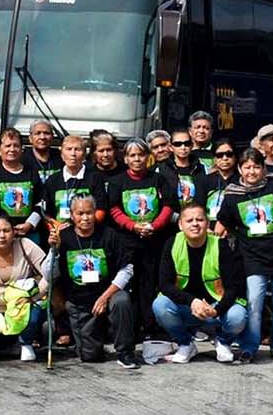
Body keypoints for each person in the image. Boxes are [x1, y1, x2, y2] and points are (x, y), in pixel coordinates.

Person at [217, 151, 273, 362]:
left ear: (263, 168)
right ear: (240, 170)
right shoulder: (232, 194)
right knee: (254, 303)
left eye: (256, 167)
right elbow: (223, 223)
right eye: (247, 167)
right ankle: (249, 346)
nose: (252, 171)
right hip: (252, 257)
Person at [46, 194, 141, 368]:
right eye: (80, 213)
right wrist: (55, 250)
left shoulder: (109, 234)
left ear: (95, 213)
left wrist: (105, 297)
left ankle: (125, 352)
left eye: (89, 213)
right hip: (79, 301)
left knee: (122, 300)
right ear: (72, 215)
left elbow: (127, 269)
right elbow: (48, 275)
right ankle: (95, 337)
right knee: (89, 356)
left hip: (107, 294)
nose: (85, 218)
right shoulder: (63, 237)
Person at [153, 202, 249, 364]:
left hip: (217, 307)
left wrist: (216, 310)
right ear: (180, 225)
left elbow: (234, 287)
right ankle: (185, 344)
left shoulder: (221, 245)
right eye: (189, 221)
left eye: (200, 219)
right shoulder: (172, 244)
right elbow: (165, 284)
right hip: (188, 308)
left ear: (208, 223)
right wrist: (192, 301)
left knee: (238, 316)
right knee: (160, 305)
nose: (195, 224)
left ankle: (223, 341)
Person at [106, 139, 174, 330]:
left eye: (141, 154)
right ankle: (130, 327)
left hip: (153, 241)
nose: (137, 159)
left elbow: (168, 206)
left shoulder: (158, 179)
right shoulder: (117, 182)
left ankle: (150, 326)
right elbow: (114, 209)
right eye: (132, 155)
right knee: (129, 285)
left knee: (149, 284)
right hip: (127, 242)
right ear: (126, 159)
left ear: (148, 156)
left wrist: (154, 225)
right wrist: (133, 226)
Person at [0, 213, 52, 362]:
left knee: (32, 315)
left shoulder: (25, 245)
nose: (2, 236)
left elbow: (49, 273)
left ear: (13, 231)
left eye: (6, 231)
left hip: (25, 309)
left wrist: (33, 297)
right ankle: (11, 342)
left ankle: (25, 340)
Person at [0, 129, 44, 242]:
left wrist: (29, 224)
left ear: (21, 150)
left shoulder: (32, 173)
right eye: (7, 145)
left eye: (16, 145)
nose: (12, 149)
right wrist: (5, 228)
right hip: (2, 235)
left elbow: (41, 202)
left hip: (30, 234)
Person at [38, 135, 99, 247]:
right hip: (60, 235)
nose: (73, 154)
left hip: (87, 234)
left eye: (77, 149)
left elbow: (101, 210)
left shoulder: (94, 179)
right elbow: (46, 213)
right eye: (69, 149)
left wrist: (80, 226)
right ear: (62, 155)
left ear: (84, 155)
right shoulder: (52, 180)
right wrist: (55, 226)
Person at [159, 129, 205, 208]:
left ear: (192, 145)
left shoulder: (201, 168)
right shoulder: (161, 169)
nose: (183, 147)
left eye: (187, 143)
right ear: (170, 147)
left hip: (196, 216)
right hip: (171, 217)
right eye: (178, 144)